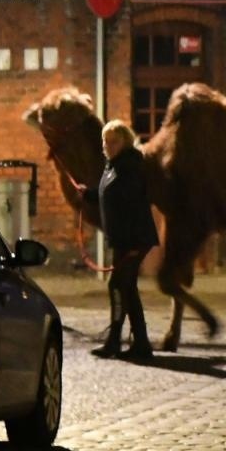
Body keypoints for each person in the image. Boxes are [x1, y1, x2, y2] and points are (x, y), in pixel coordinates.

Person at [90, 119, 159, 360]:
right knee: (125, 287)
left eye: (114, 142)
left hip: (133, 240)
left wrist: (132, 247)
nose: (108, 146)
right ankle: (136, 342)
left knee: (119, 286)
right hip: (123, 240)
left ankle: (123, 342)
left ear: (125, 142)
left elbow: (133, 205)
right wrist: (88, 194)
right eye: (105, 141)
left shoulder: (130, 166)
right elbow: (109, 195)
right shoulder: (113, 165)